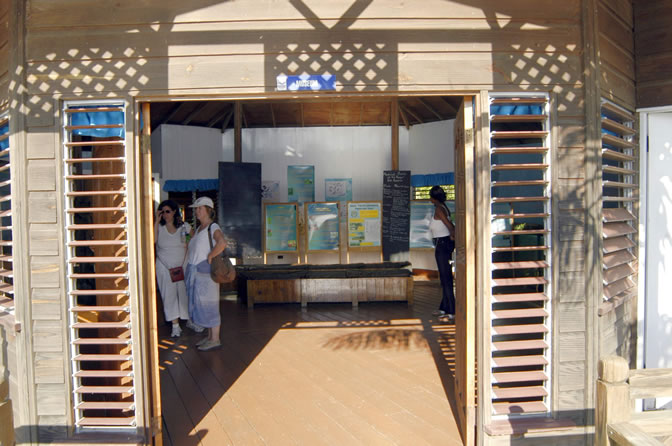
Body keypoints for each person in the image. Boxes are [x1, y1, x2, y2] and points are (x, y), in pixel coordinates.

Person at [185, 196, 227, 351]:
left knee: (210, 305)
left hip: (205, 272)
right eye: (196, 209)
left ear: (208, 210)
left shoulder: (213, 227)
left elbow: (222, 242)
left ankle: (215, 339)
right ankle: (210, 337)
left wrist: (210, 255)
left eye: (199, 208)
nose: (197, 211)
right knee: (203, 305)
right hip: (198, 272)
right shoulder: (199, 229)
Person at [154, 200, 200, 337]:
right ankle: (175, 325)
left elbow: (195, 239)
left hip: (182, 265)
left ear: (174, 211)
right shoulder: (159, 227)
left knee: (185, 293)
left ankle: (189, 319)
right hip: (164, 266)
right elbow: (153, 241)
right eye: (162, 212)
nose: (165, 214)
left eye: (167, 211)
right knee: (168, 295)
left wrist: (188, 242)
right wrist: (156, 221)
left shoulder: (184, 226)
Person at [428, 185, 456, 321]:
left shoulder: (439, 209)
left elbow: (449, 226)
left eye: (431, 197)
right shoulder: (443, 207)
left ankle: (451, 310)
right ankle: (444, 307)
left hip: (442, 244)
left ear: (434, 198)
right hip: (443, 243)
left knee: (446, 278)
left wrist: (454, 236)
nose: (430, 199)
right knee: (444, 277)